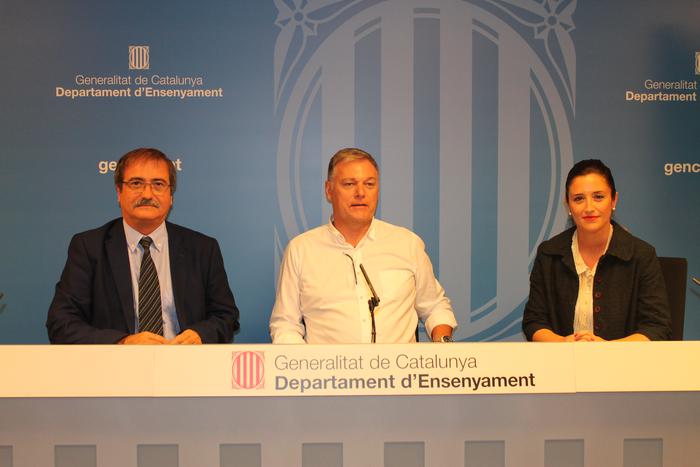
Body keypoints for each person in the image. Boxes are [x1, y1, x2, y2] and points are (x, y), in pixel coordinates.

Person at [47, 148, 240, 344]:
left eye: (158, 184)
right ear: (119, 192)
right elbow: (61, 322)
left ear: (171, 195)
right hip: (116, 361)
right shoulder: (89, 247)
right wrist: (123, 342)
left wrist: (200, 335)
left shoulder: (203, 249)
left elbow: (226, 316)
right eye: (136, 183)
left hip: (185, 359)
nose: (147, 194)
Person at [270, 148, 457, 343]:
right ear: (329, 190)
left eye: (369, 184)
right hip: (329, 364)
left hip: (399, 364)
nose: (360, 193)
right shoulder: (301, 250)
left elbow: (435, 307)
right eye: (349, 184)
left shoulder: (407, 244)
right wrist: (302, 361)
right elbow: (285, 324)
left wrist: (442, 345)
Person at [522, 159, 671, 342]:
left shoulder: (641, 255)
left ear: (614, 200)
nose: (589, 208)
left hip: (622, 360)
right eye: (579, 199)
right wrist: (563, 343)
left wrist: (607, 350)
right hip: (562, 359)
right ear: (568, 205)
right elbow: (534, 321)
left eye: (598, 197)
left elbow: (657, 326)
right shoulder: (549, 254)